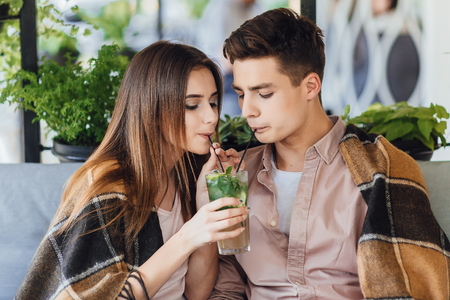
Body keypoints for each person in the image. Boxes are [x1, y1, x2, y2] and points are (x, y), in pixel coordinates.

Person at [209, 8, 450, 300]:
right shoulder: (235, 176)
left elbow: (416, 286)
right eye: (241, 93)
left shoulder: (380, 169)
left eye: (264, 93)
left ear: (311, 86)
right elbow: (228, 287)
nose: (248, 110)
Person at [15, 41, 249, 300]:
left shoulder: (191, 172)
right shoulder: (106, 185)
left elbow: (196, 293)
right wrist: (188, 234)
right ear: (152, 108)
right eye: (192, 105)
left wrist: (204, 207)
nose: (212, 117)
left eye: (214, 102)